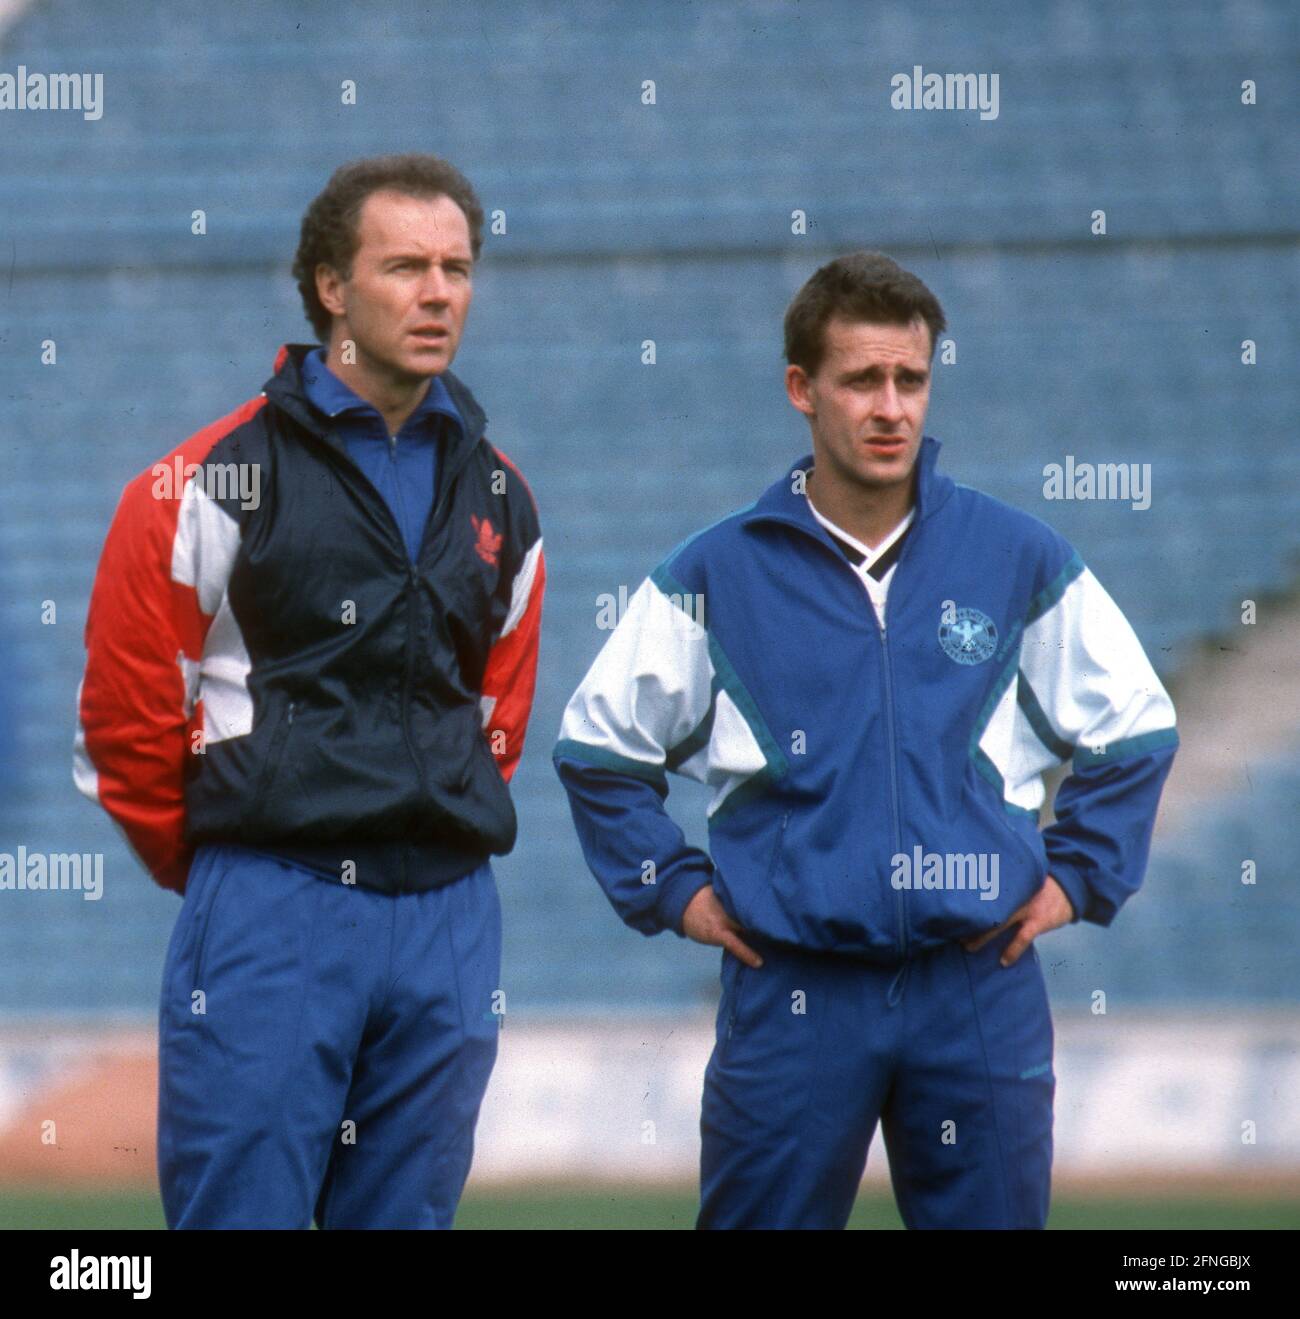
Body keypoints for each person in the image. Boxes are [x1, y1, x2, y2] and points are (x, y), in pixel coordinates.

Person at [553, 251, 1177, 1229]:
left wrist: (1077, 875)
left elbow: (1134, 726)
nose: (890, 406)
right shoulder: (719, 569)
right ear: (802, 389)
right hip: (793, 991)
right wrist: (671, 888)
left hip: (976, 983)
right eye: (861, 379)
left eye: (910, 378)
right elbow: (598, 750)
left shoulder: (1014, 555)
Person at [73, 153, 545, 1229]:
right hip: (271, 907)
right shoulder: (205, 482)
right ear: (331, 285)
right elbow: (126, 726)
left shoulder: (503, 494)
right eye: (406, 266)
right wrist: (234, 870)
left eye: (457, 268)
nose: (437, 293)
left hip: (447, 918)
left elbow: (496, 717)